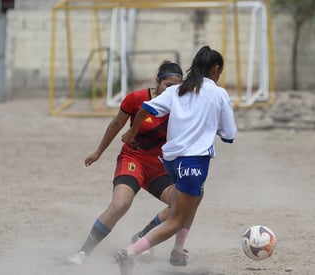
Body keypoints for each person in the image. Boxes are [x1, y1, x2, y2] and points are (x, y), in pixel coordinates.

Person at [118, 45, 237, 274]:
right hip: (193, 162)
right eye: (219, 72)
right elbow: (229, 134)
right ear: (215, 70)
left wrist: (132, 131)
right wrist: (214, 128)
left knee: (196, 196)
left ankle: (177, 252)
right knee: (175, 220)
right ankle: (130, 253)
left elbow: (146, 108)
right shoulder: (219, 93)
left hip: (171, 162)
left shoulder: (177, 90)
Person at [68, 61, 185, 265]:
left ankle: (141, 236)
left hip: (159, 167)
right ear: (157, 81)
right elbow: (116, 124)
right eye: (168, 85)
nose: (172, 90)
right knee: (120, 204)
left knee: (182, 205)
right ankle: (82, 253)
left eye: (177, 86)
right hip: (134, 159)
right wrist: (98, 152)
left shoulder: (182, 103)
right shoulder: (136, 99)